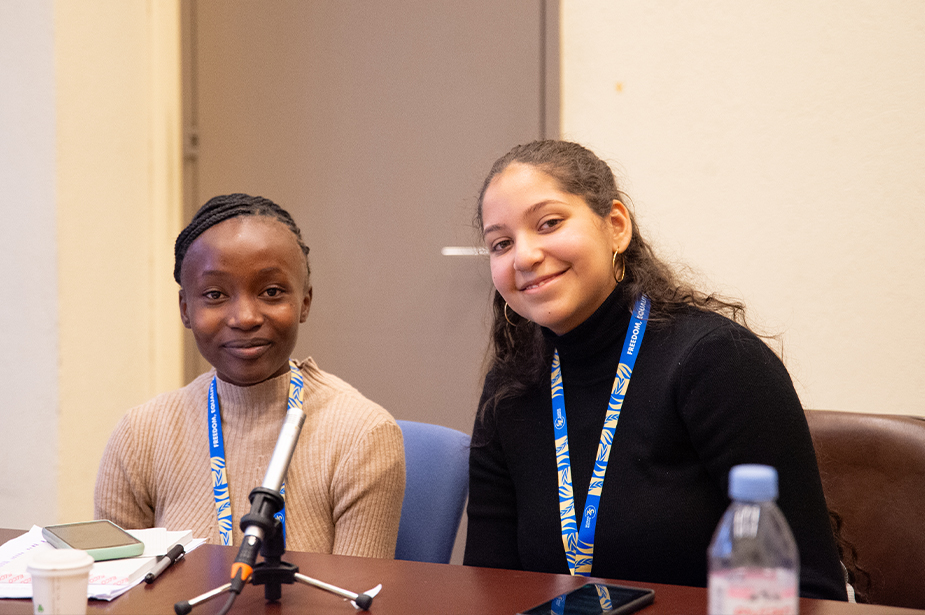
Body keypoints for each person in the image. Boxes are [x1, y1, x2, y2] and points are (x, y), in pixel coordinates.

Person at [463, 140, 848, 600]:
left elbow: (807, 590)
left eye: (549, 223)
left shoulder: (717, 362)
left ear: (616, 227)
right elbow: (489, 588)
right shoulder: (511, 387)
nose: (524, 256)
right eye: (501, 244)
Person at [94, 193, 405, 558]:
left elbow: (353, 602)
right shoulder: (140, 437)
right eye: (214, 294)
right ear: (185, 309)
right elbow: (114, 592)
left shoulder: (362, 436)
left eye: (271, 292)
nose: (244, 317)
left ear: (304, 301)